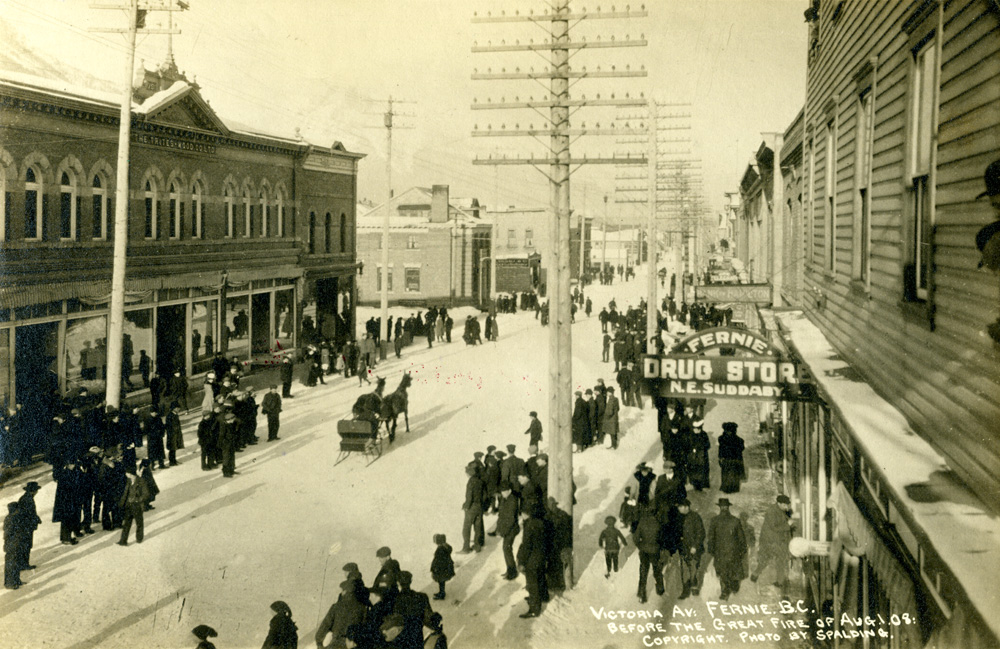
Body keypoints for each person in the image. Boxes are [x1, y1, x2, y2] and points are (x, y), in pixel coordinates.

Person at [706, 498, 748, 601]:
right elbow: (741, 538)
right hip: (733, 551)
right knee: (732, 569)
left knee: (723, 571)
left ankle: (725, 591)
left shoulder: (714, 521)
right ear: (728, 507)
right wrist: (742, 550)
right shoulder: (735, 520)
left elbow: (711, 537)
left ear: (720, 508)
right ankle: (733, 585)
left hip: (720, 552)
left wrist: (711, 550)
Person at [752, 494, 794, 589]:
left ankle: (779, 581)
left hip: (776, 540)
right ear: (779, 503)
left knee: (779, 560)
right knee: (767, 559)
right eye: (784, 505)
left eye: (787, 505)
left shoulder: (780, 510)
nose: (786, 507)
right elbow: (774, 527)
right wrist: (788, 525)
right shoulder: (772, 511)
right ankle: (755, 574)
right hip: (770, 540)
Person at [315, 579, 368, 649]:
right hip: (352, 645)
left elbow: (325, 625)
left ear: (346, 591)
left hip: (336, 643)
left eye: (342, 590)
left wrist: (319, 642)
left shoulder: (336, 606)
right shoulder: (362, 608)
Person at [516, 508, 547, 618]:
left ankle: (534, 609)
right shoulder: (541, 522)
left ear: (525, 514)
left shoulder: (528, 525)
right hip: (541, 556)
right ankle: (543, 596)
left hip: (532, 559)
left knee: (532, 583)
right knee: (540, 577)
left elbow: (526, 546)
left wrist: (522, 562)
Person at [394, 571, 433, 649]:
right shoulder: (422, 597)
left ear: (398, 583)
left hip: (400, 639)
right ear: (411, 581)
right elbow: (429, 618)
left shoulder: (395, 600)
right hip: (417, 636)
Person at [633, 507, 664, 604]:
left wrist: (640, 546)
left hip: (644, 551)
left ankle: (642, 593)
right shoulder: (659, 524)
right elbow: (662, 539)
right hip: (655, 551)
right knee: (657, 570)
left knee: (643, 572)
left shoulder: (642, 523)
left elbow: (636, 538)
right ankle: (660, 589)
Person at [677, 499, 705, 599]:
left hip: (694, 548)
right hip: (683, 548)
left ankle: (694, 585)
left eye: (680, 507)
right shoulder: (678, 517)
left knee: (693, 567)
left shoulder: (695, 517)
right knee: (684, 569)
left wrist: (695, 546)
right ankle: (685, 590)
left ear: (686, 507)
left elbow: (701, 533)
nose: (678, 508)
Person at [117, 468, 150, 546]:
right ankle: (123, 540)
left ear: (131, 474)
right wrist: (121, 503)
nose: (126, 475)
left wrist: (137, 499)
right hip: (129, 505)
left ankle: (139, 538)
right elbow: (126, 493)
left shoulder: (141, 481)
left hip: (137, 505)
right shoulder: (129, 481)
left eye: (127, 473)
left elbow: (146, 494)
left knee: (139, 523)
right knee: (126, 523)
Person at [495, 484, 520, 580]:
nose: (502, 493)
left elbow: (511, 519)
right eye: (502, 491)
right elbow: (501, 515)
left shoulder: (512, 500)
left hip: (511, 529)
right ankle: (510, 569)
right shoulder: (505, 499)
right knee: (506, 549)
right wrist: (499, 529)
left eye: (504, 491)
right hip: (507, 529)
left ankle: (512, 571)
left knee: (507, 548)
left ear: (509, 490)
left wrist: (503, 532)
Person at [460, 463, 485, 554]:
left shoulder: (470, 482)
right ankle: (477, 545)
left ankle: (466, 548)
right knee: (477, 527)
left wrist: (466, 506)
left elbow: (469, 496)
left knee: (466, 528)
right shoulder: (480, 481)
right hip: (479, 506)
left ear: (469, 473)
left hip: (472, 507)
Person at [16, 481, 41, 571]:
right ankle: (24, 564)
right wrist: (35, 519)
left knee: (25, 545)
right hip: (25, 527)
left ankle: (23, 563)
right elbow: (28, 514)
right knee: (26, 545)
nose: (37, 492)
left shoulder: (26, 497)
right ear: (33, 491)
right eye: (36, 490)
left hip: (25, 526)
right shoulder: (27, 499)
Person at [718, 422, 746, 494]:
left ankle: (727, 487)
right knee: (732, 474)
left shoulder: (721, 439)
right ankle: (732, 488)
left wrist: (720, 457)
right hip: (734, 460)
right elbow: (742, 448)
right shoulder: (739, 440)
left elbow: (721, 449)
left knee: (727, 474)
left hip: (728, 460)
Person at [4, 502, 24, 589]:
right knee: (11, 564)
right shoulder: (10, 519)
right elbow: (7, 533)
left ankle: (16, 580)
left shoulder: (13, 518)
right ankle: (10, 583)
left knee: (16, 563)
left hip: (15, 543)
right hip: (11, 544)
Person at [687, 419, 711, 491]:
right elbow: (688, 444)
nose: (694, 430)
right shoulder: (691, 435)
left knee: (702, 470)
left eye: (696, 429)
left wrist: (699, 448)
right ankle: (695, 484)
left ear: (699, 429)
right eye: (694, 429)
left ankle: (702, 484)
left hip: (702, 456)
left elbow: (708, 445)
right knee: (693, 470)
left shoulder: (704, 435)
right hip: (693, 456)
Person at [430, 534, 454, 601]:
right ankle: (441, 592)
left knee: (441, 581)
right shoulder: (445, 547)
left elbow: (438, 560)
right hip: (445, 568)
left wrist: (435, 568)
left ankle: (442, 594)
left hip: (441, 569)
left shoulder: (440, 549)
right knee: (442, 582)